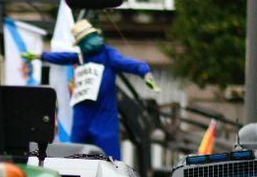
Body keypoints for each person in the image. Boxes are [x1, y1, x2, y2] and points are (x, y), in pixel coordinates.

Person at [26, 19, 158, 160]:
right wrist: (41, 56)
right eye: (86, 38)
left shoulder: (108, 55)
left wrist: (145, 73)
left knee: (108, 155)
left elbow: (128, 63)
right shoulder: (82, 56)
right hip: (83, 113)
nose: (91, 41)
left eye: (91, 36)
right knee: (77, 152)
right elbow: (62, 57)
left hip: (104, 114)